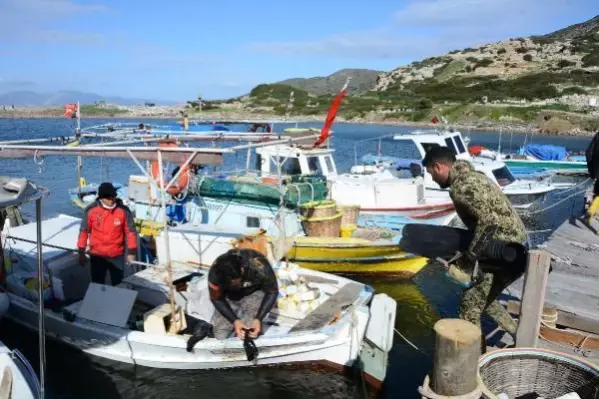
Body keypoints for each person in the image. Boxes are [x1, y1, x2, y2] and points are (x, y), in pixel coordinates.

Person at [422, 146, 527, 344]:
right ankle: (519, 334)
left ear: (438, 167)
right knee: (483, 299)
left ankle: (472, 364)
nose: (432, 178)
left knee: (469, 306)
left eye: (431, 173)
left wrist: (468, 260)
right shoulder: (473, 176)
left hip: (504, 252)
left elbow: (488, 222)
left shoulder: (461, 187)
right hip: (516, 246)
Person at [208, 248, 278, 340]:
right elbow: (217, 299)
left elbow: (272, 292)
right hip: (229, 297)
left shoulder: (259, 265)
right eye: (230, 283)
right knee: (220, 336)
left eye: (236, 281)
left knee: (249, 333)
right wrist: (235, 321)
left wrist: (258, 318)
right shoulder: (215, 272)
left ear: (242, 269)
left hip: (253, 293)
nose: (235, 284)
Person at [77, 182, 137, 286]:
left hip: (117, 255)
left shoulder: (124, 211)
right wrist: (81, 252)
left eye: (113, 197)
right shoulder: (91, 210)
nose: (111, 200)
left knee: (118, 283)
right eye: (108, 198)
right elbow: (84, 231)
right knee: (97, 284)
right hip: (97, 256)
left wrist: (131, 252)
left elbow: (131, 232)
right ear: (101, 198)